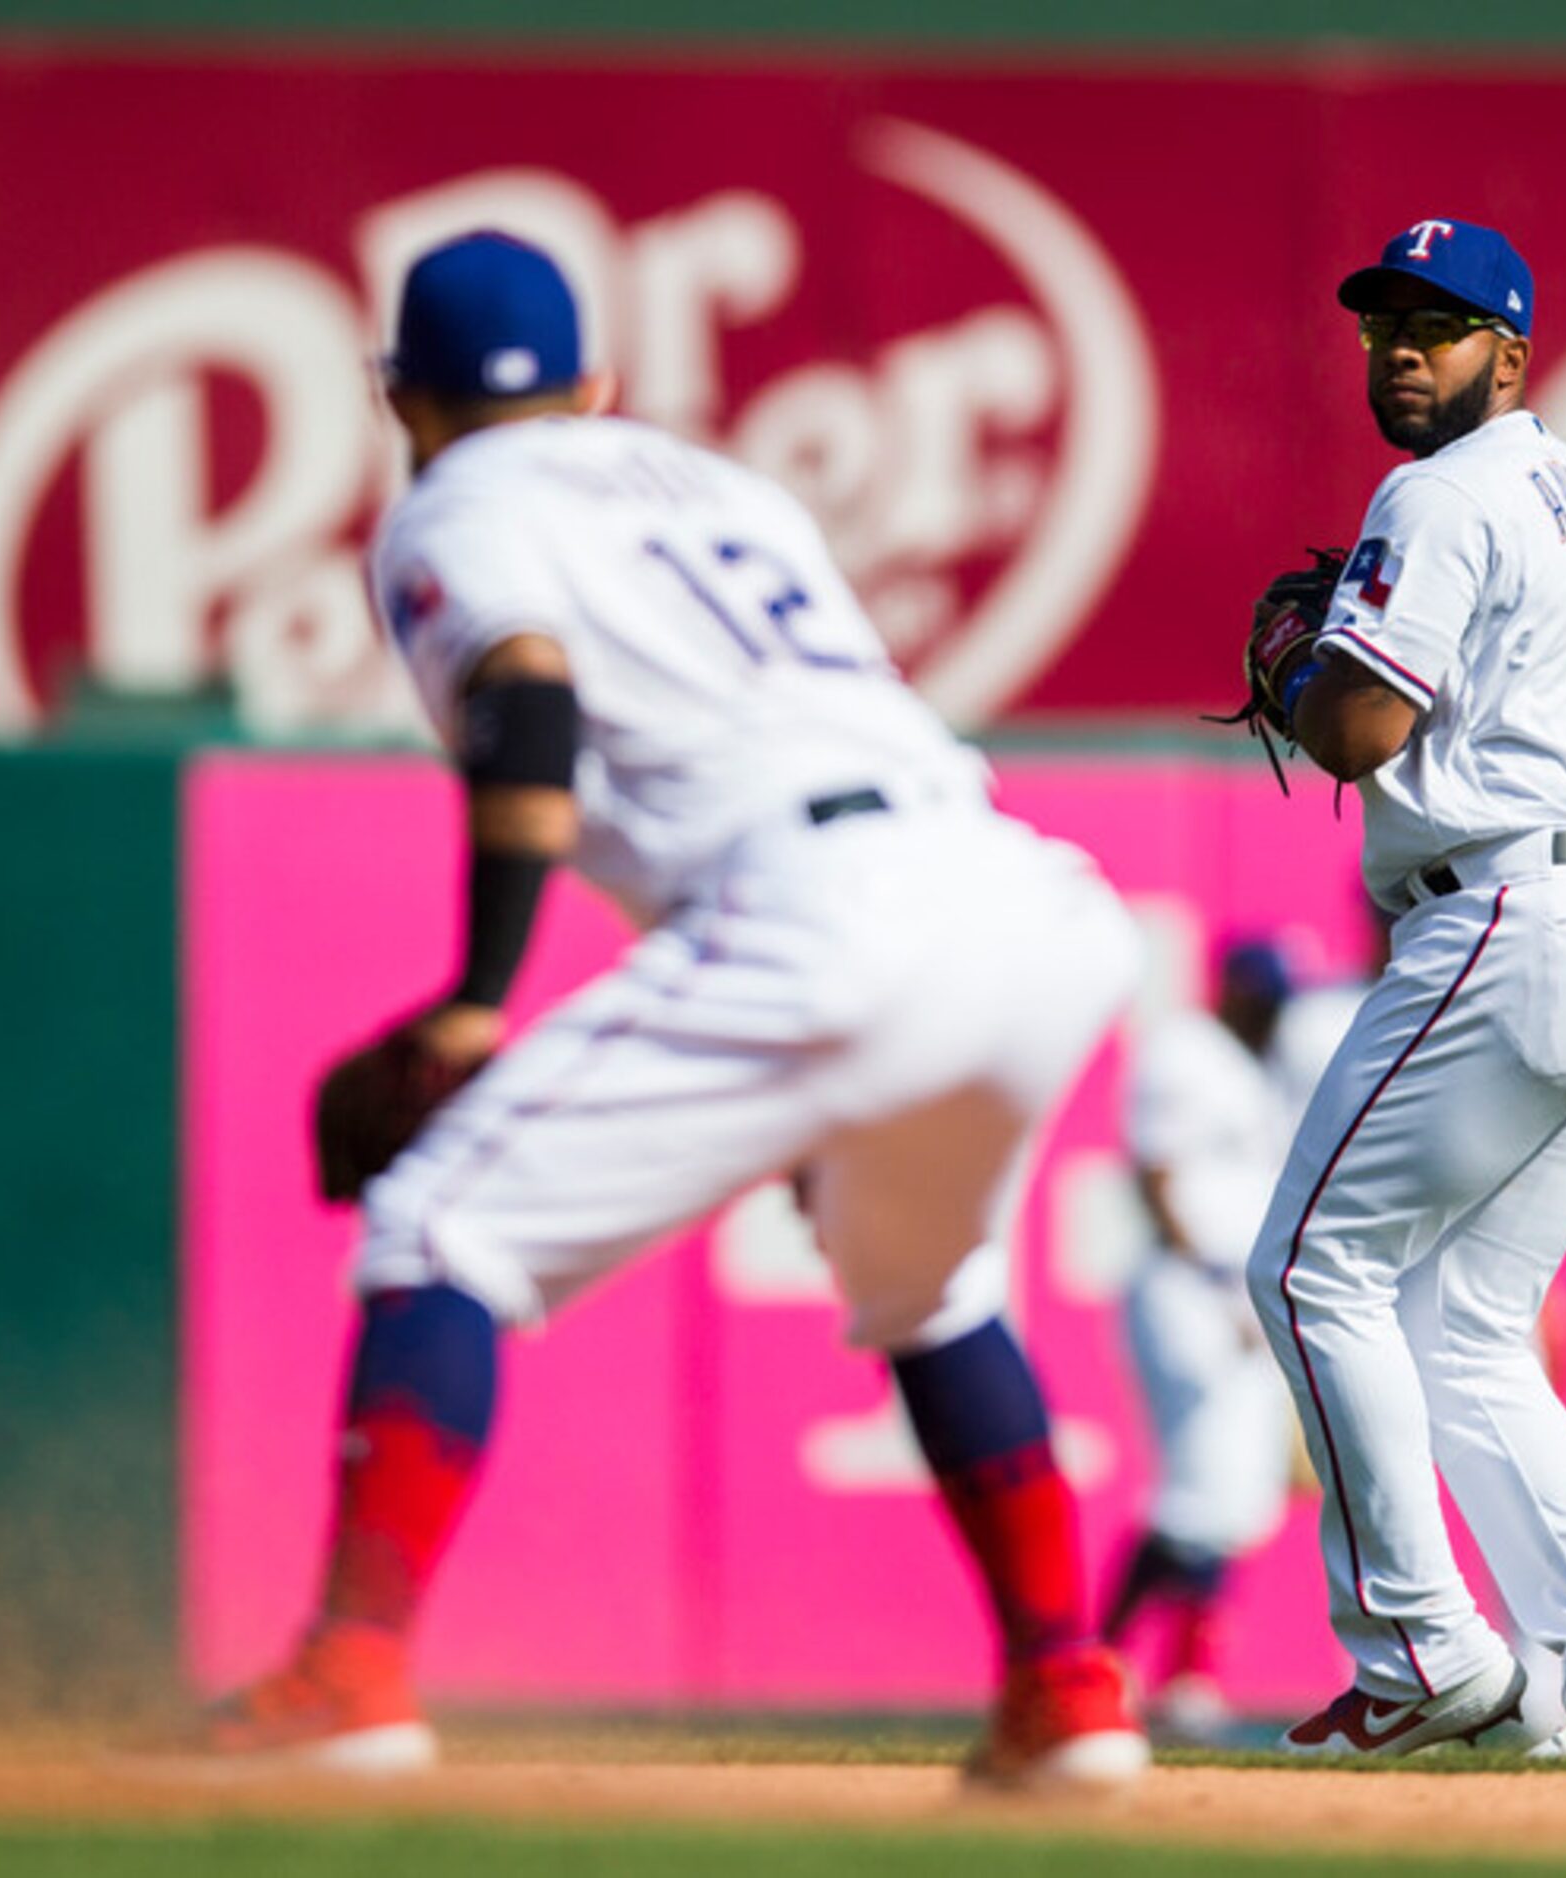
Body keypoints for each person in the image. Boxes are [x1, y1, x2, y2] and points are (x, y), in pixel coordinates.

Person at [203, 231, 1148, 1788]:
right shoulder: (722, 484)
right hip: (1022, 891)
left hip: (827, 910)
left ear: (398, 397)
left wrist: (472, 1006)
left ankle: (352, 1667)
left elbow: (526, 696)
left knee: (439, 1229)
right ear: (597, 385)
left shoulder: (454, 501)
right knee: (929, 1282)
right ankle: (1065, 1688)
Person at [1242, 217, 1566, 1760]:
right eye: (1384, 320)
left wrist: (1297, 674)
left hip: (1513, 913)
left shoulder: (1439, 492)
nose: (1401, 346)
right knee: (1463, 1314)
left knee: (1309, 1268)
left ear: (1509, 353)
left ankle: (1421, 1646)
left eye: (1438, 324)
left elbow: (1355, 734)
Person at [1102, 940, 1298, 1743]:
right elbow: (1156, 1174)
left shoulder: (1253, 1069)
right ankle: (1101, 1661)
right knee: (1203, 1485)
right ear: (1226, 986)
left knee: (1239, 1493)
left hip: (1237, 1292)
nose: (1270, 1005)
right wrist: (1217, 1285)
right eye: (1259, 991)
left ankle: (1165, 1676)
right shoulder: (1187, 1049)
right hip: (1193, 1286)